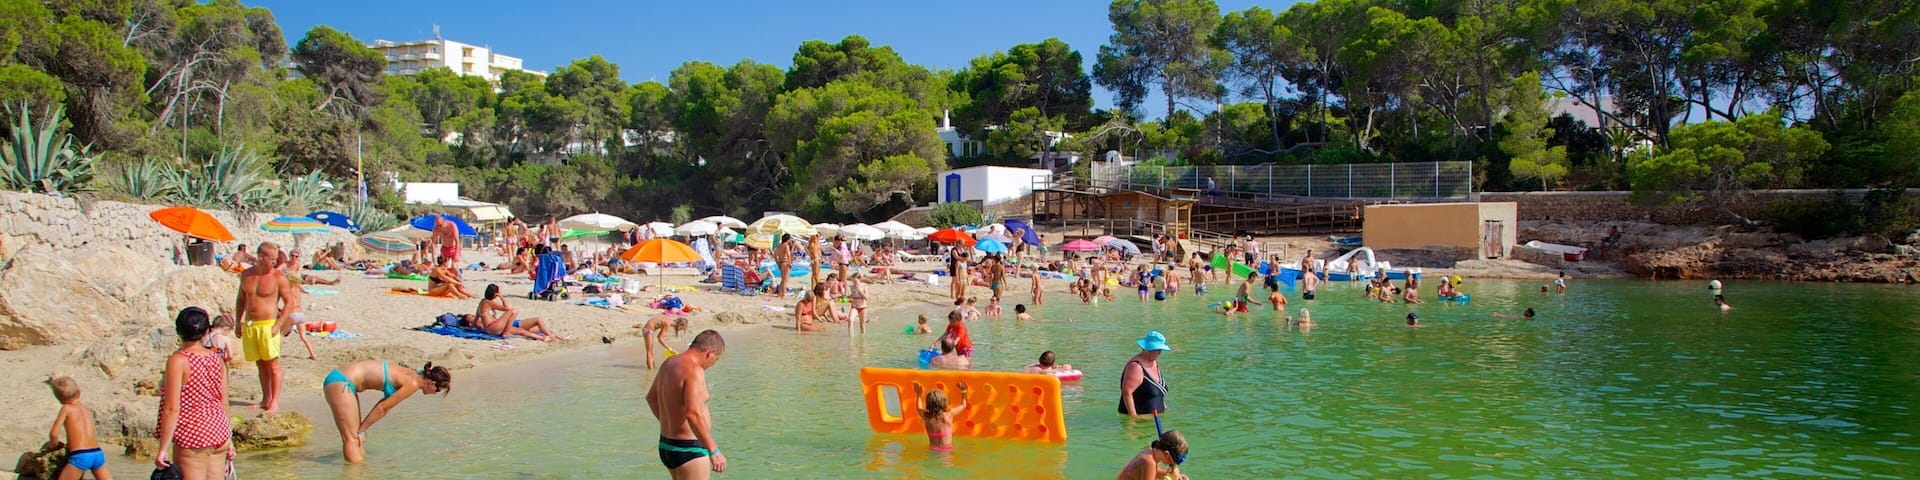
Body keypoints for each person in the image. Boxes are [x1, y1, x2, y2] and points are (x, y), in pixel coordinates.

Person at [322, 360, 451, 463]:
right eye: (438, 390)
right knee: (352, 438)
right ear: (432, 383)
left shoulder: (414, 374)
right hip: (341, 382)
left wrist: (362, 429)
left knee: (356, 439)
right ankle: (354, 475)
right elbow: (383, 408)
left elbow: (383, 404)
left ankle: (360, 471)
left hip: (343, 381)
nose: (435, 393)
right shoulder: (412, 384)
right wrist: (362, 430)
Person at [155, 307, 233, 478]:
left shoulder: (179, 361)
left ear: (178, 331)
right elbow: (224, 402)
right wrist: (230, 440)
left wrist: (162, 449)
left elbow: (172, 409)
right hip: (219, 429)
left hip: (193, 432)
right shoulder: (216, 359)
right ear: (207, 331)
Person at [646, 330, 728, 479]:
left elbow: (651, 398)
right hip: (689, 449)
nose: (712, 364)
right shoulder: (694, 370)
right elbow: (693, 413)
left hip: (667, 446)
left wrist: (671, 423)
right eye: (716, 359)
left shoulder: (669, 363)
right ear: (710, 352)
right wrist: (713, 450)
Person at [236, 243, 295, 412]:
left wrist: (278, 325)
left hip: (269, 325)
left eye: (276, 259)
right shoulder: (246, 275)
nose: (275, 262)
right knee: (260, 364)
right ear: (261, 257)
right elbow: (241, 300)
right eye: (272, 259)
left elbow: (290, 303)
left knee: (273, 365)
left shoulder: (278, 277)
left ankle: (274, 401)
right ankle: (265, 399)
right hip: (250, 325)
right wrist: (237, 321)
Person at [45, 377, 110, 480]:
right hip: (97, 453)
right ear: (79, 392)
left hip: (80, 455)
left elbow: (53, 434)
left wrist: (53, 446)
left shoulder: (66, 408)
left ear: (58, 399)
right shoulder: (85, 409)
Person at [476, 284, 565, 341]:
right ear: (495, 294)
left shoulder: (483, 302)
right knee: (513, 311)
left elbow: (476, 316)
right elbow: (507, 308)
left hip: (493, 328)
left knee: (521, 330)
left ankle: (546, 337)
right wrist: (501, 296)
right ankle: (506, 333)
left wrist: (472, 326)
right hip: (492, 327)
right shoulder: (487, 302)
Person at [1119, 331, 1171, 419]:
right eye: (1157, 350)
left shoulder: (1153, 362)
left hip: (1154, 419)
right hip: (1141, 421)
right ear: (1148, 349)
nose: (1160, 353)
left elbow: (1157, 391)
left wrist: (1165, 407)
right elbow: (1127, 392)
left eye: (1160, 350)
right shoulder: (1136, 367)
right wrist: (1134, 418)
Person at [277, 263, 319, 360]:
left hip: (292, 314)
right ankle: (313, 354)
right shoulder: (298, 288)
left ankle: (276, 354)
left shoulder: (287, 288)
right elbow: (303, 290)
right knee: (303, 336)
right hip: (301, 314)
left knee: (280, 335)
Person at [913, 381, 969, 451]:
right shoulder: (949, 414)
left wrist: (918, 394)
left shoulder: (927, 417)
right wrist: (964, 390)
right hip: (947, 450)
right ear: (944, 402)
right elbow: (963, 405)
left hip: (933, 449)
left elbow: (919, 408)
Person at [1118, 430, 1188, 480]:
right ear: (1167, 454)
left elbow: (1155, 471)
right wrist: (1170, 478)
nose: (1171, 465)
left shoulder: (1150, 453)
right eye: (1172, 463)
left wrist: (1172, 475)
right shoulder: (1149, 462)